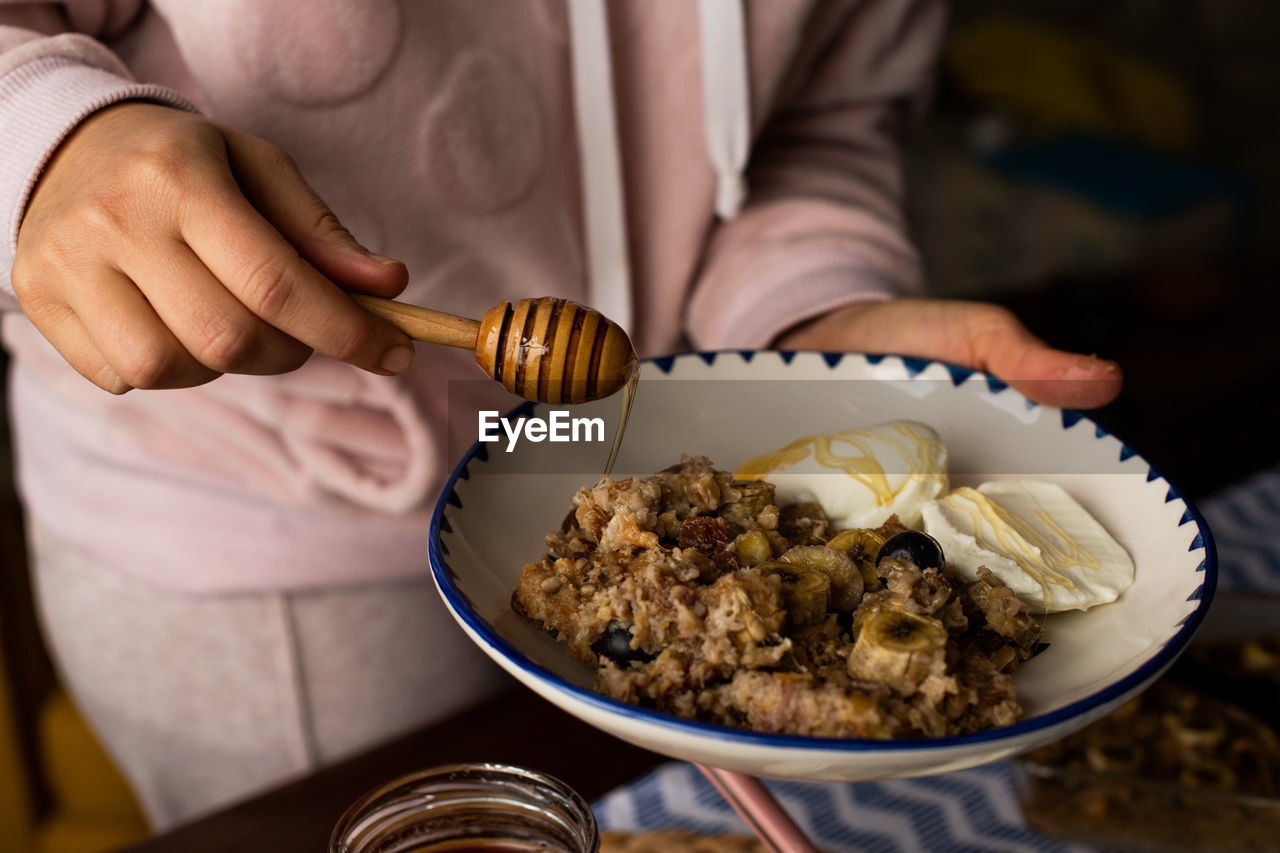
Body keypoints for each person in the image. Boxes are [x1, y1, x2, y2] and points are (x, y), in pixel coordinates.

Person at [0, 0, 1121, 832]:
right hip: (267, 535)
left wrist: (809, 323)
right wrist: (47, 143)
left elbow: (815, 126)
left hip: (665, 473)